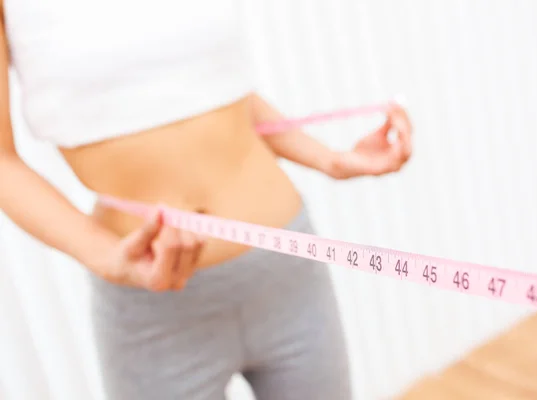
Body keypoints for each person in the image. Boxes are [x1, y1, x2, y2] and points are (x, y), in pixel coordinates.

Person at [0, 0, 413, 399]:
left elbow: (214, 92)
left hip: (286, 275)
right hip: (155, 310)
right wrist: (106, 256)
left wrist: (329, 159)